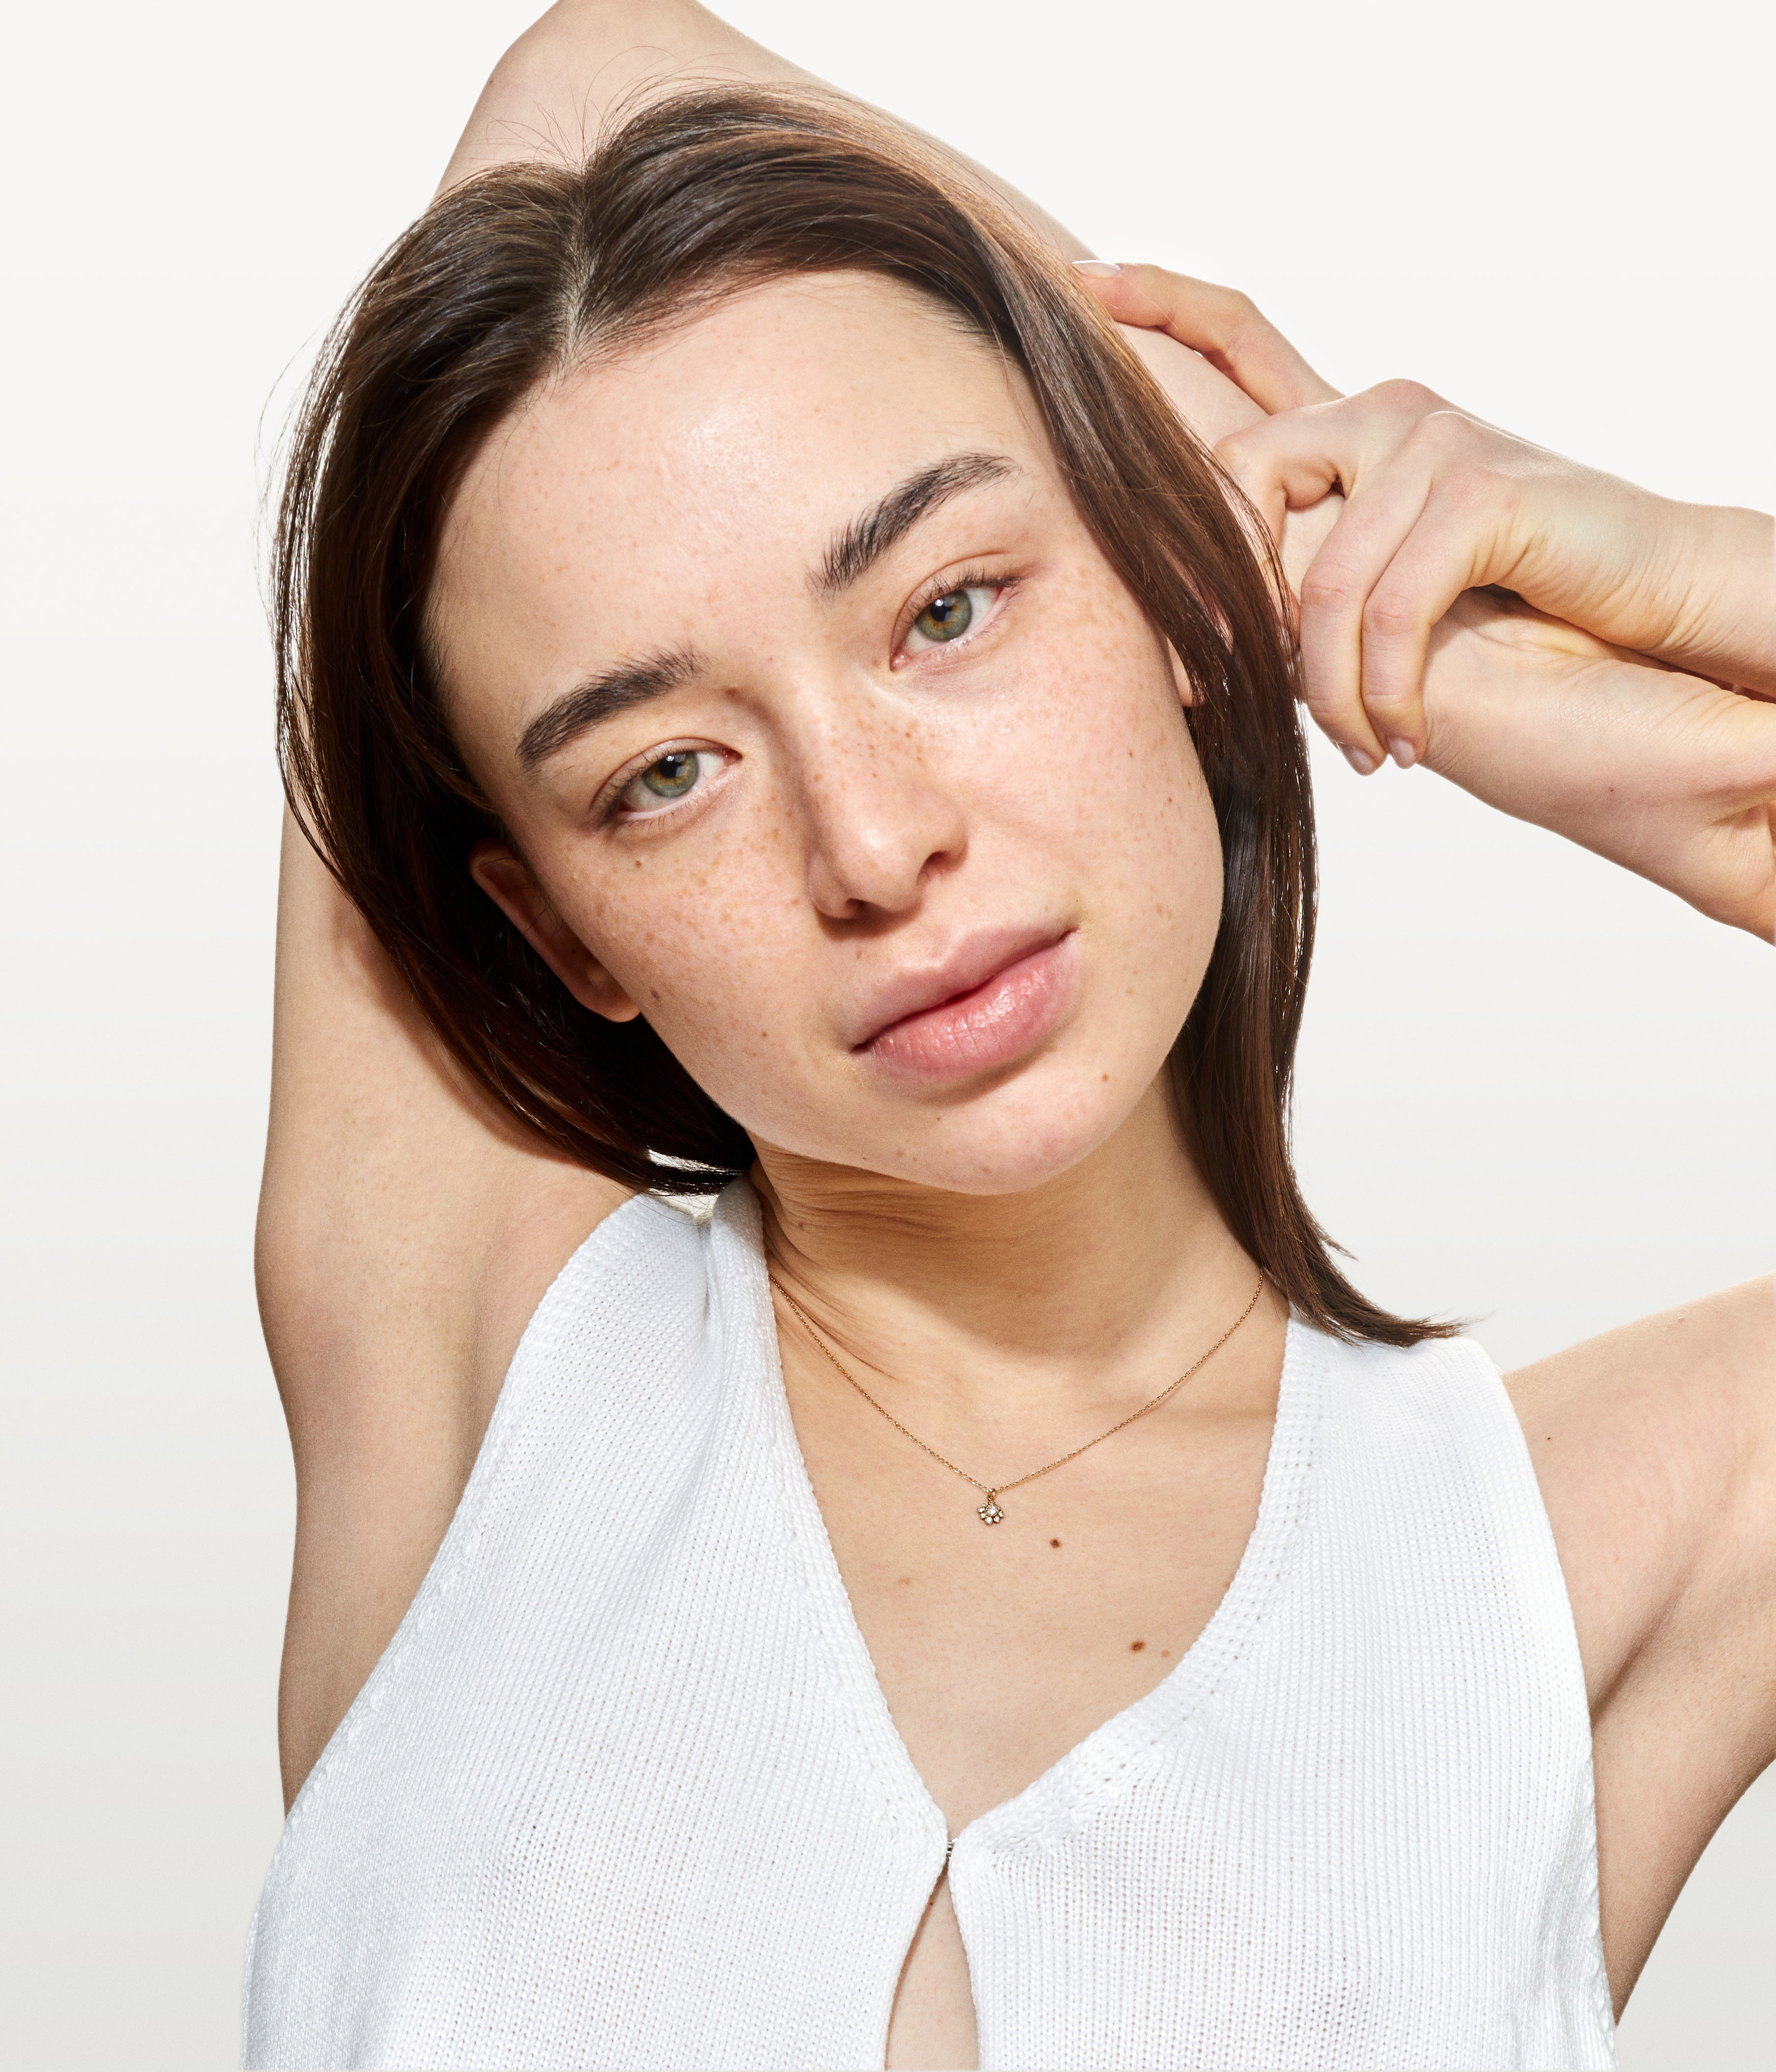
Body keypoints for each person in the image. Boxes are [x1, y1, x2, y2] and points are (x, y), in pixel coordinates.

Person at [244, 4, 1776, 2067]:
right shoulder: (487, 1371)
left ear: (1160, 586)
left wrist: (1524, 652)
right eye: (667, 771)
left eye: (949, 608)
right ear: (559, 929)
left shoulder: (1587, 1540)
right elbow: (573, 78)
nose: (874, 846)